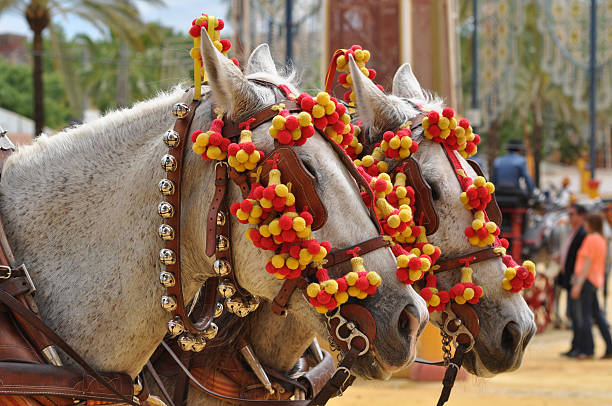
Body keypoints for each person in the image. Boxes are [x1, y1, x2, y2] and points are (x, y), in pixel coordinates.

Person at [570, 212, 612, 359]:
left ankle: (588, 350)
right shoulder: (601, 239)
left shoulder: (591, 238)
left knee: (585, 316)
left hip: (587, 280)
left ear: (591, 224)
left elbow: (587, 263)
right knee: (597, 315)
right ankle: (609, 346)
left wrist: (578, 284)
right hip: (595, 279)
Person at [559, 204, 587, 356]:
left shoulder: (583, 233)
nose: (570, 217)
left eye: (572, 214)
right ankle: (575, 346)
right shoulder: (575, 232)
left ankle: (580, 347)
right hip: (570, 278)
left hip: (576, 279)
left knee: (578, 314)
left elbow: (582, 260)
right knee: (573, 313)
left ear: (581, 216)